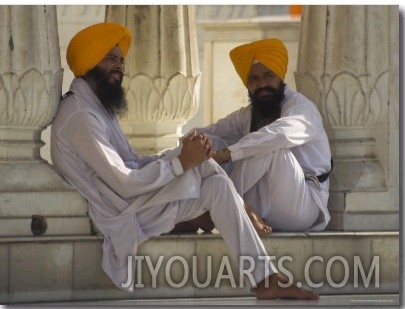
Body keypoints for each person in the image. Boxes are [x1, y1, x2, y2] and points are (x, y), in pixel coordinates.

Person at [51, 22, 319, 300]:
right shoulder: (81, 115)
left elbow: (132, 161)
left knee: (213, 181)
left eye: (120, 59)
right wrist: (179, 163)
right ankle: (237, 213)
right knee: (202, 166)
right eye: (110, 58)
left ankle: (264, 279)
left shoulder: (96, 107)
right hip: (119, 210)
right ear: (89, 61)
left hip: (131, 202)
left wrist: (183, 155)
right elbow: (125, 183)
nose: (119, 65)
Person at [195, 38, 332, 234]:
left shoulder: (301, 108)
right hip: (261, 204)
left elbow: (278, 135)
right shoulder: (248, 114)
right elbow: (205, 132)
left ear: (280, 76)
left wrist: (226, 154)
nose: (262, 84)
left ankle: (215, 208)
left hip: (303, 206)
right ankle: (207, 205)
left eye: (268, 76)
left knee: (268, 146)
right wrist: (189, 151)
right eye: (254, 79)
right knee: (206, 142)